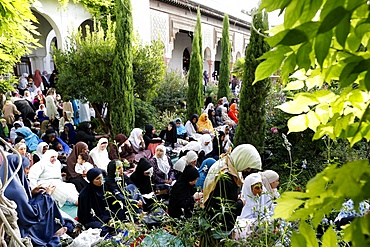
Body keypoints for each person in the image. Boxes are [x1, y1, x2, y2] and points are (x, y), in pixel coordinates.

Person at [0, 154, 67, 246]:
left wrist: (32, 193)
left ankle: (57, 226)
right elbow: (30, 215)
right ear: (18, 168)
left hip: (20, 218)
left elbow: (21, 203)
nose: (28, 171)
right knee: (48, 200)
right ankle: (55, 229)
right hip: (22, 225)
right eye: (26, 168)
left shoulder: (5, 180)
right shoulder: (15, 190)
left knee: (42, 197)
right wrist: (47, 195)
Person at [202, 144, 262, 237]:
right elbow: (222, 208)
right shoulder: (225, 177)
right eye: (248, 167)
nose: (248, 170)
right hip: (218, 225)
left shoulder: (227, 164)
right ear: (242, 160)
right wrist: (240, 203)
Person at [77, 168, 115, 237]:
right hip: (93, 219)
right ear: (91, 181)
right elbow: (86, 216)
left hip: (108, 215)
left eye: (101, 178)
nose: (101, 181)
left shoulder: (105, 187)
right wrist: (106, 220)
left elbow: (111, 205)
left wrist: (110, 218)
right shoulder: (85, 195)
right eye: (97, 179)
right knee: (102, 229)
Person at [234, 173, 272, 239]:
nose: (260, 190)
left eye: (261, 187)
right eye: (257, 188)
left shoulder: (264, 197)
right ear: (249, 188)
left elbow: (270, 211)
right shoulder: (242, 201)